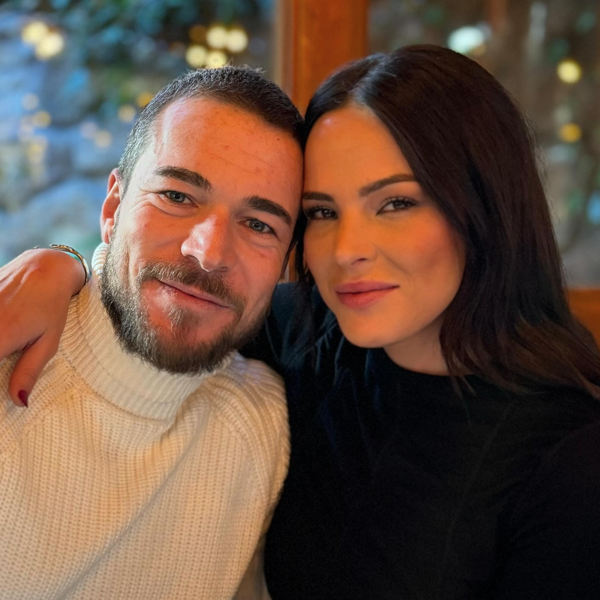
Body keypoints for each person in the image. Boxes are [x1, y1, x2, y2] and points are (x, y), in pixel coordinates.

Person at [2, 45, 600, 599]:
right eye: (321, 212)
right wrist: (63, 267)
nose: (347, 250)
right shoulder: (305, 339)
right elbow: (166, 300)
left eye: (395, 203)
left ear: (485, 208)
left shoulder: (569, 459)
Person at [0, 65, 304, 599]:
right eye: (178, 196)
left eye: (259, 225)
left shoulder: (262, 426)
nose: (208, 254)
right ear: (113, 208)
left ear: (286, 264)